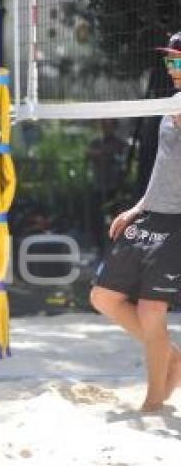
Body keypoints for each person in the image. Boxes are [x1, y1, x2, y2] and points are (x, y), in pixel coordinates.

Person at [89, 31, 181, 412]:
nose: (172, 66)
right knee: (103, 297)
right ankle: (171, 356)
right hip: (151, 213)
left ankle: (153, 400)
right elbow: (166, 169)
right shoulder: (171, 101)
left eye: (179, 60)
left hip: (178, 222)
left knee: (150, 311)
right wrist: (136, 208)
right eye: (170, 59)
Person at [86, 118, 128, 252]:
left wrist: (106, 153)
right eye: (103, 124)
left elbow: (122, 150)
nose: (104, 127)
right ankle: (98, 246)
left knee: (115, 216)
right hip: (98, 186)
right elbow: (89, 153)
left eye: (107, 124)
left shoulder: (119, 143)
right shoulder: (96, 142)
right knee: (96, 218)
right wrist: (103, 153)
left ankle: (115, 244)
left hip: (113, 188)